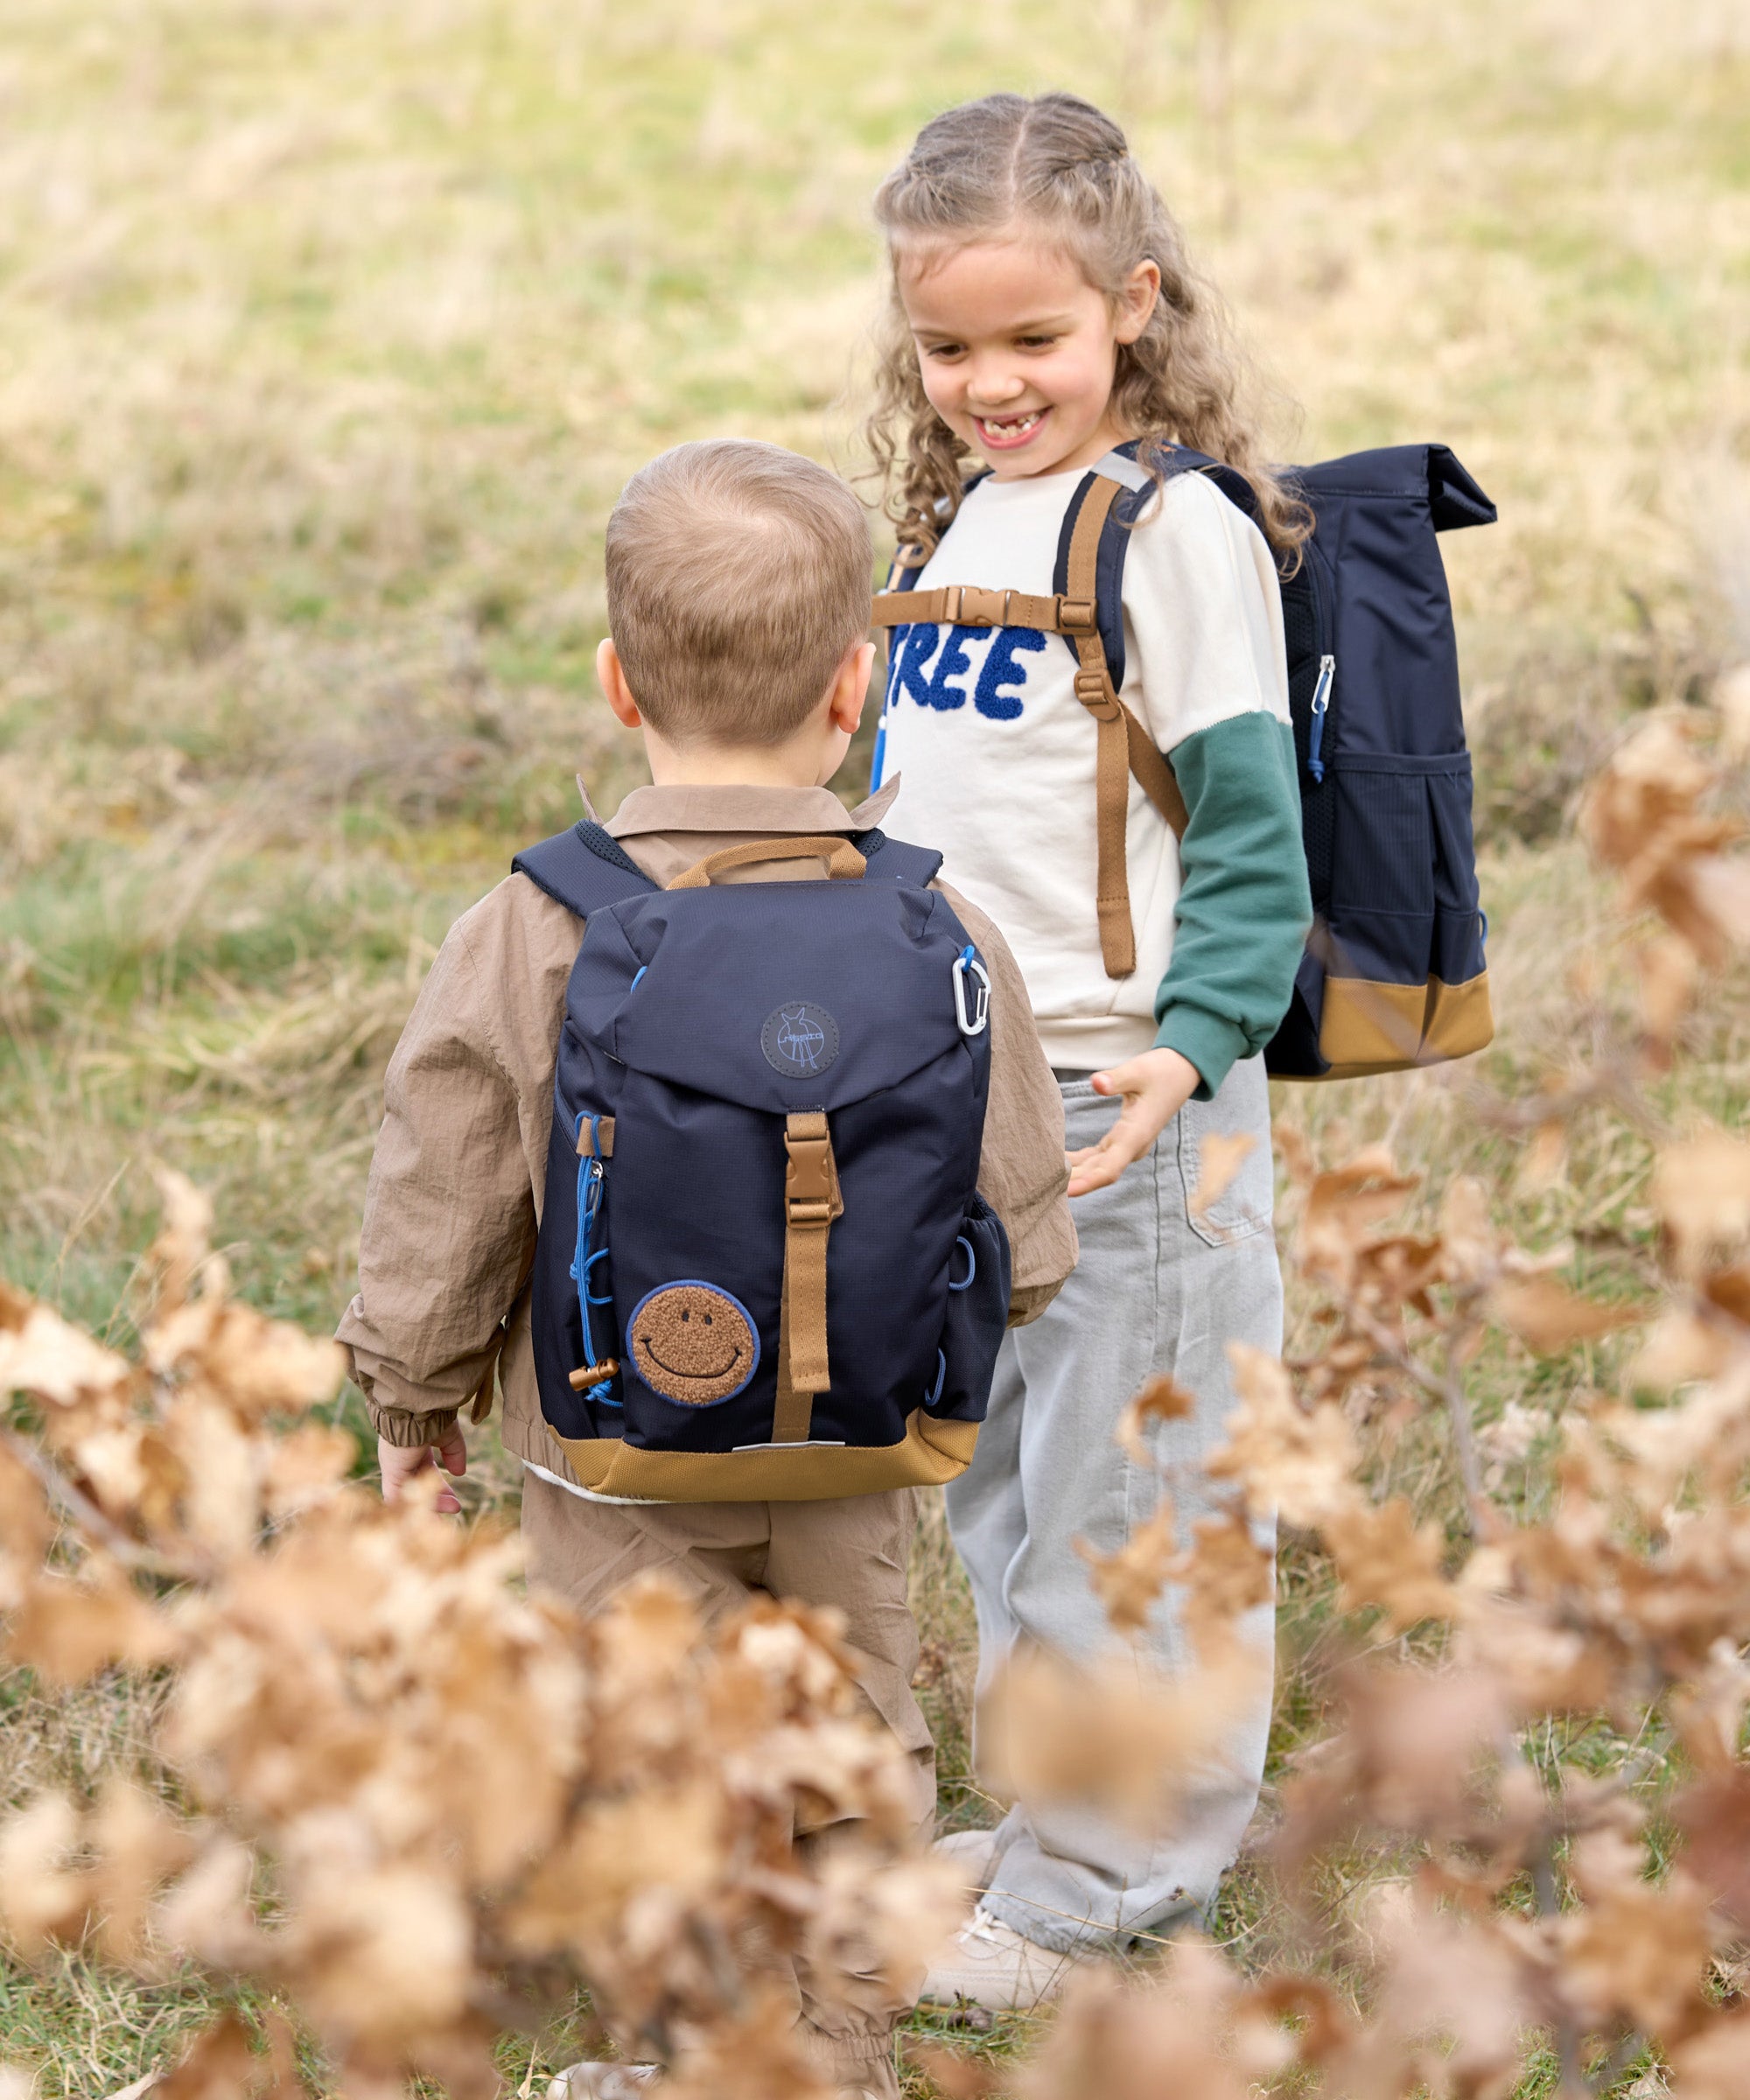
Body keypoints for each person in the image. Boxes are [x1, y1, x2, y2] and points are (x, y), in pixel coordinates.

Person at [336, 438, 1075, 2098]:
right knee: (847, 1739)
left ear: (614, 682)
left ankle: (678, 2058)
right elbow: (1021, 1227)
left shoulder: (537, 923)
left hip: (611, 1459)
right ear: (856, 689)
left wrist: (413, 1396)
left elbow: (444, 1186)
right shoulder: (935, 923)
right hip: (856, 1446)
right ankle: (836, 2055)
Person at [861, 91, 1313, 2006]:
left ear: (1134, 306)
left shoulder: (1174, 530)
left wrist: (1194, 1048)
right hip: (982, 1088)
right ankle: (1062, 1827)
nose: (987, 382)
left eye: (1030, 340)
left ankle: (1108, 1892)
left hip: (1137, 1097)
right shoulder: (972, 512)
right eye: (945, 348)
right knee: (1018, 1490)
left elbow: (1251, 837)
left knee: (1142, 1507)